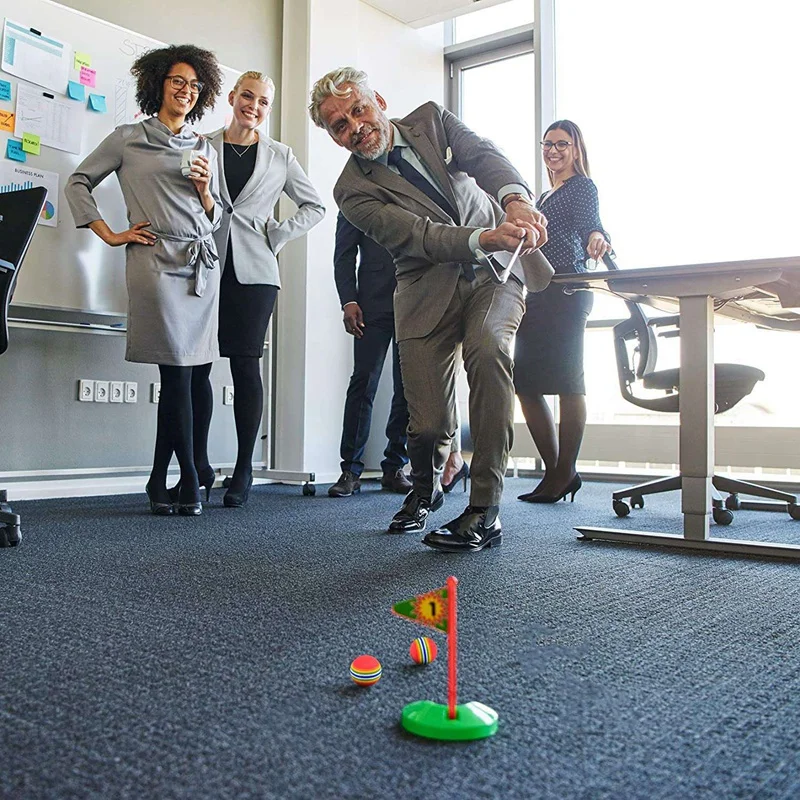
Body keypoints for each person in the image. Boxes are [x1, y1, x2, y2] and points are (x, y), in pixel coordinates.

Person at [309, 66, 550, 553]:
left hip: (495, 272)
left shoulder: (432, 120)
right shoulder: (350, 190)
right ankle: (425, 488)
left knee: (488, 349)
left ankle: (484, 509)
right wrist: (484, 237)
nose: (355, 126)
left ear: (378, 100)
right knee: (429, 426)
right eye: (340, 125)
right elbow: (416, 236)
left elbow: (483, 156)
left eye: (358, 109)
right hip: (424, 288)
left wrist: (515, 200)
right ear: (334, 138)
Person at [66, 44, 224, 516]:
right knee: (176, 372)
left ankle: (159, 478)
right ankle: (190, 477)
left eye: (194, 85)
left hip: (201, 265)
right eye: (178, 81)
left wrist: (205, 191)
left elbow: (218, 217)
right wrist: (110, 234)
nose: (186, 91)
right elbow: (78, 181)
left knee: (189, 375)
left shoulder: (205, 147)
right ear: (158, 84)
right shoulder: (128, 138)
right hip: (155, 262)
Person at [203, 71, 325, 507]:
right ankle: (199, 464)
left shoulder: (280, 155)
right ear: (232, 97)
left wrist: (276, 235)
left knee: (245, 366)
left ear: (268, 109)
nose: (253, 106)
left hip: (255, 273)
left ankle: (243, 469)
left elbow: (315, 206)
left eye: (263, 102)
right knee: (196, 366)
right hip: (205, 266)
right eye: (247, 96)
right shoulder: (203, 145)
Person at [514, 120, 611, 504]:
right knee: (525, 383)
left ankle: (564, 471)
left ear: (576, 149)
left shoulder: (582, 187)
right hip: (539, 292)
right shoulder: (543, 196)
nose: (553, 151)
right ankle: (556, 471)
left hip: (569, 291)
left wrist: (597, 237)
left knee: (569, 382)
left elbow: (592, 226)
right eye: (548, 144)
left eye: (562, 144)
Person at [328, 211, 412, 497]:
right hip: (370, 304)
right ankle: (350, 471)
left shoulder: (415, 191)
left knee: (408, 387)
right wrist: (348, 300)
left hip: (414, 300)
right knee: (363, 381)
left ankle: (395, 467)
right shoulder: (356, 197)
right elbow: (344, 254)